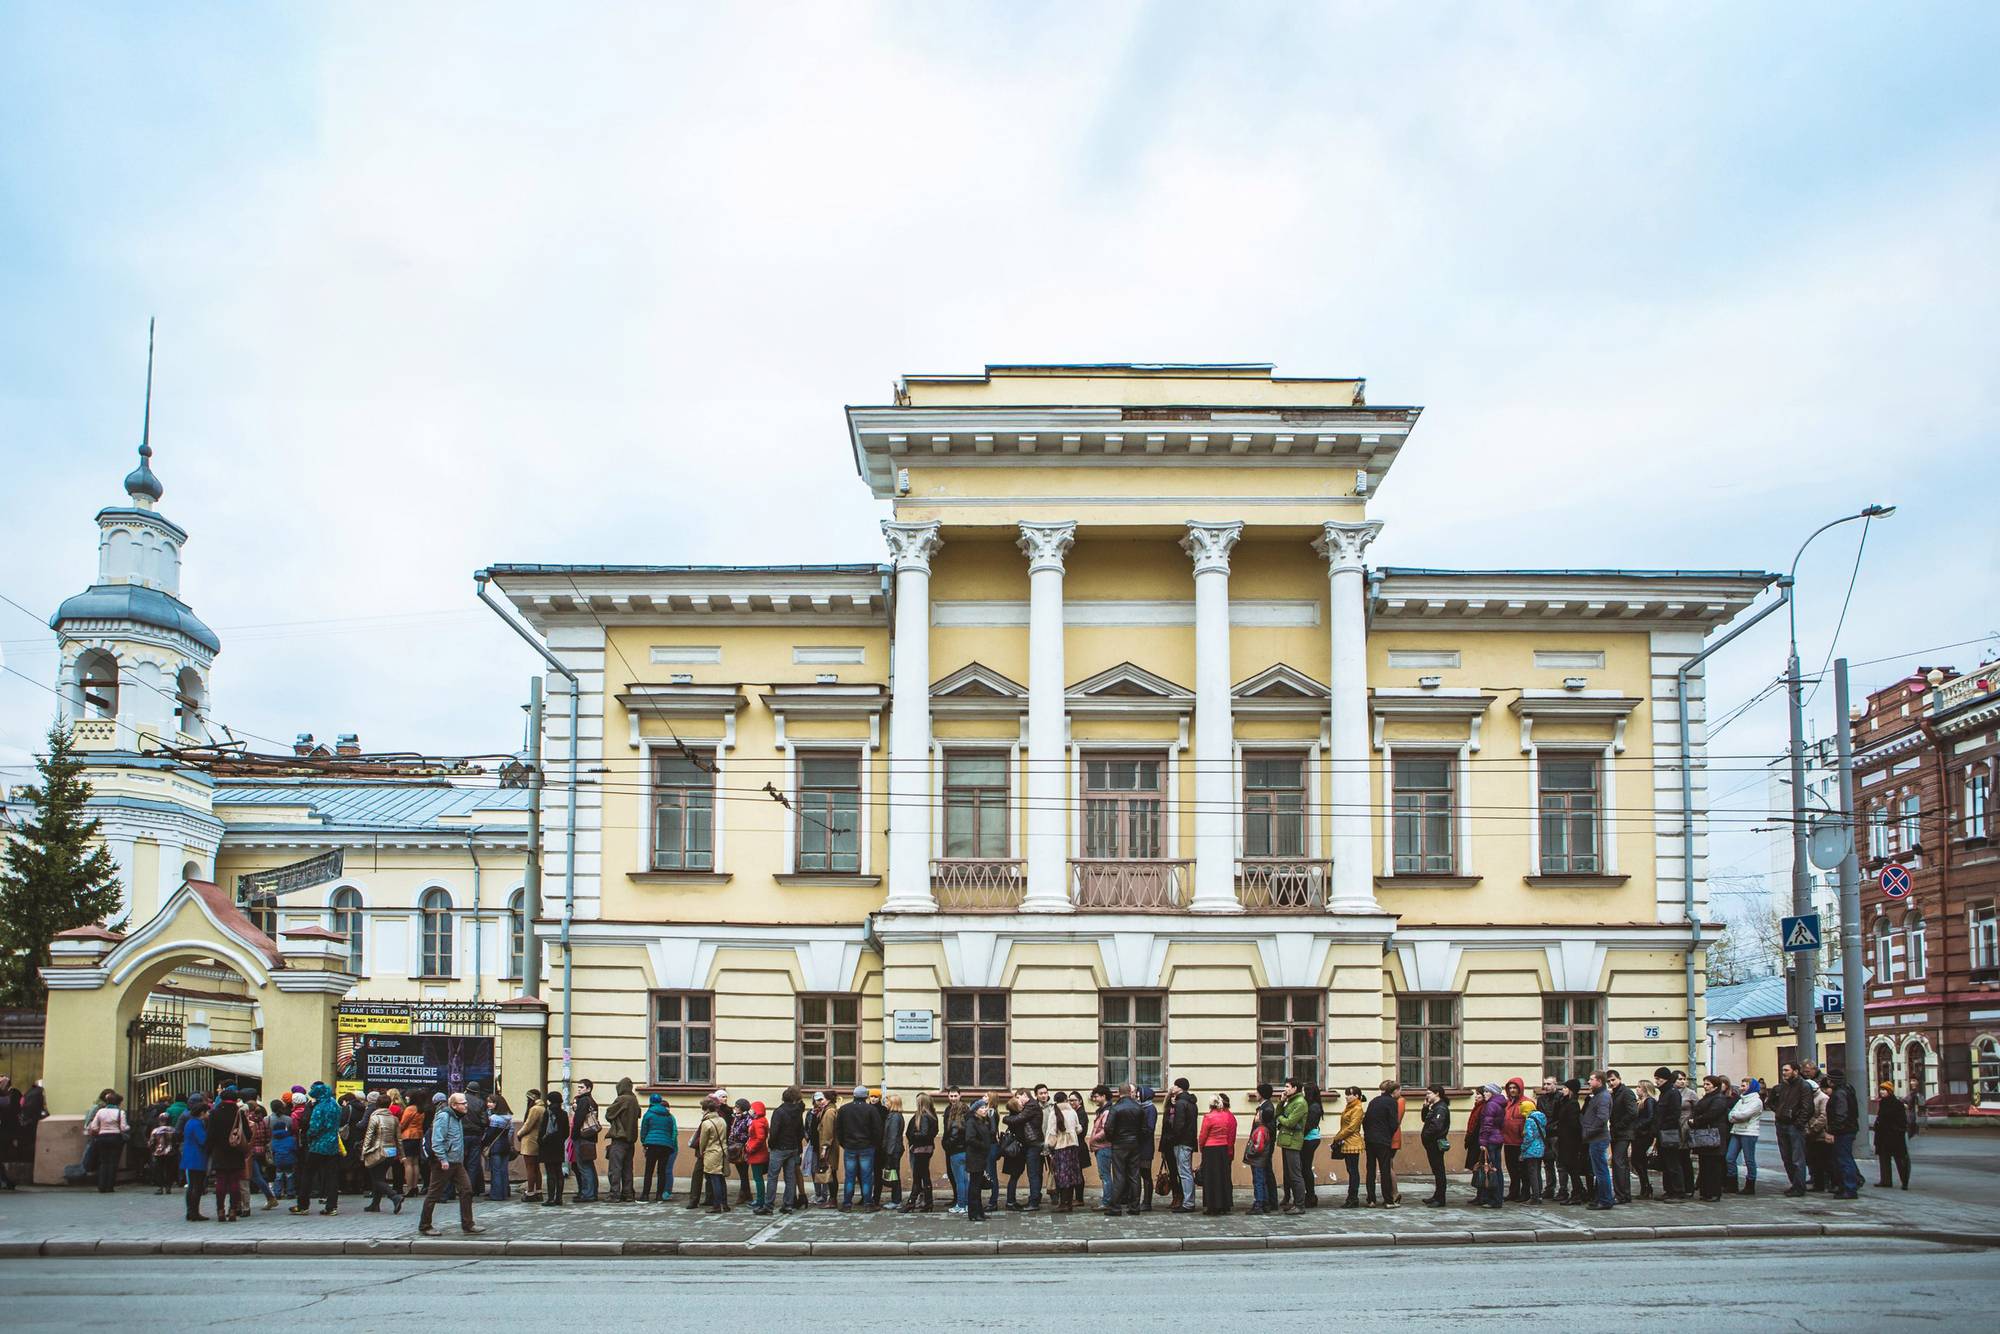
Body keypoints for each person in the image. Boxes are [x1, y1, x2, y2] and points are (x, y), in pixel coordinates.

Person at [418, 1091, 485, 1235]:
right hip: (444, 1162)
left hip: (456, 1162)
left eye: (465, 1102)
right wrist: (442, 1159)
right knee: (434, 1194)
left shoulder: (458, 1117)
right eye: (463, 1103)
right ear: (454, 1105)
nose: (466, 1105)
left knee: (466, 1190)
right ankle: (425, 1225)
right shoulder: (444, 1117)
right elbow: (437, 1140)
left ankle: (468, 1224)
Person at [287, 1081, 340, 1216]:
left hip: (318, 1146)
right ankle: (331, 1206)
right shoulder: (335, 1105)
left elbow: (314, 1127)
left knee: (308, 1174)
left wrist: (309, 1136)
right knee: (332, 1176)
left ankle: (303, 1205)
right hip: (333, 1145)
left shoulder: (319, 1107)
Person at [833, 1084, 883, 1210]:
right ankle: (868, 1204)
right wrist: (874, 1144)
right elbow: (878, 1130)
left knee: (849, 1176)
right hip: (867, 1146)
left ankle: (847, 1204)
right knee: (866, 1176)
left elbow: (838, 1129)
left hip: (849, 1147)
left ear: (853, 1095)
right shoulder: (871, 1110)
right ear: (866, 1096)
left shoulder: (844, 1109)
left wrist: (843, 1143)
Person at [1766, 1061, 1812, 1196]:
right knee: (1786, 1157)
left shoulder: (1803, 1086)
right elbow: (1771, 1102)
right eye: (1783, 1070)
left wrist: (1798, 1122)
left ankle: (1799, 1186)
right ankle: (1794, 1184)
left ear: (1796, 1071)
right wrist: (1780, 1112)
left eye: (1787, 1070)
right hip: (1782, 1123)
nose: (1784, 1073)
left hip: (1794, 1125)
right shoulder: (1783, 1087)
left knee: (1797, 1158)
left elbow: (1807, 1108)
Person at [1106, 1083, 1149, 1217]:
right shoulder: (1139, 1108)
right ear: (1130, 1092)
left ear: (1119, 1093)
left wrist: (1113, 1139)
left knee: (1119, 1175)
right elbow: (1144, 1129)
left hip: (1119, 1144)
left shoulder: (1116, 1108)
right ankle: (1135, 1207)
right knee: (1134, 1175)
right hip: (1135, 1144)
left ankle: (1115, 1207)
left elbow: (1108, 1128)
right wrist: (1138, 1140)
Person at [360, 1092, 404, 1214]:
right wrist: (402, 1155)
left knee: (376, 1179)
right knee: (380, 1176)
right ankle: (375, 1204)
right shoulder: (394, 1119)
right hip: (391, 1151)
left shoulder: (375, 1118)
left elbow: (368, 1136)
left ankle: (394, 1196)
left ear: (377, 1105)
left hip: (378, 1150)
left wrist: (364, 1152)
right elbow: (399, 1139)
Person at [1690, 1074, 1730, 1202]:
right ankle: (1705, 1191)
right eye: (1705, 1084)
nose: (1705, 1087)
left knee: (1714, 1166)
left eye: (1708, 1084)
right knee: (1705, 1164)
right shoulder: (1707, 1097)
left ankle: (1714, 1192)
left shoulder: (1719, 1098)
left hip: (1713, 1134)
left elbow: (1712, 1114)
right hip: (1705, 1135)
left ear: (1715, 1086)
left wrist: (1696, 1121)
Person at [1824, 1066, 1862, 1200]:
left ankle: (1849, 1187)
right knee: (1844, 1158)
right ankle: (1847, 1185)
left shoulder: (1839, 1093)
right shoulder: (1847, 1090)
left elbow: (1841, 1114)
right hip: (1847, 1129)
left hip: (1843, 1131)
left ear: (1832, 1081)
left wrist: (1831, 1131)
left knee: (1844, 1159)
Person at [1198, 1092, 1236, 1216]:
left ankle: (1211, 1205)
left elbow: (1203, 1135)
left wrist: (1201, 1147)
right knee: (1222, 1177)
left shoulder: (1208, 1117)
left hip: (1210, 1148)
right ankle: (1223, 1204)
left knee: (1210, 1178)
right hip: (1223, 1148)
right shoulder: (1226, 1116)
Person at [1275, 1076, 1309, 1214]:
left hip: (1293, 1141)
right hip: (1286, 1140)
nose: (1285, 1089)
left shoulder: (1300, 1103)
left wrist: (1281, 1118)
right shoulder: (1290, 1101)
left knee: (1295, 1174)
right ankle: (1294, 1202)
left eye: (1288, 1087)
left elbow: (1290, 1122)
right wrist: (1281, 1102)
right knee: (1289, 1174)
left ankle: (1300, 1204)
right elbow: (1278, 1113)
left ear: (1295, 1088)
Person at [1580, 1071, 1614, 1210]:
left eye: (1591, 1079)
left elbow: (1602, 1118)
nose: (1589, 1082)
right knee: (1598, 1170)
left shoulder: (1603, 1097)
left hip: (1598, 1139)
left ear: (1599, 1081)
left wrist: (1589, 1131)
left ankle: (1605, 1200)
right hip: (1594, 1138)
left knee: (1601, 1171)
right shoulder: (1598, 1096)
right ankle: (1600, 1198)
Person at [1043, 1089, 1081, 1213]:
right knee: (1071, 1175)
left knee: (1061, 1175)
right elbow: (1078, 1128)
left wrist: (1049, 1146)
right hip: (1073, 1147)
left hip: (1060, 1148)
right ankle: (1068, 1202)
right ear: (1065, 1100)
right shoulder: (1072, 1111)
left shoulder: (1054, 1113)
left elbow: (1051, 1133)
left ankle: (1063, 1203)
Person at [769, 1087, 805, 1213]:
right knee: (790, 1178)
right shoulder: (798, 1112)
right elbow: (801, 1131)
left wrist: (771, 1145)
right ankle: (788, 1204)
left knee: (772, 1177)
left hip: (779, 1148)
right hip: (793, 1147)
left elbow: (774, 1131)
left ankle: (769, 1205)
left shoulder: (779, 1112)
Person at [85, 1091, 129, 1194]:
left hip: (102, 1137)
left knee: (103, 1162)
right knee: (113, 1162)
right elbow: (123, 1127)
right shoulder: (120, 1112)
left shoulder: (100, 1112)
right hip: (115, 1137)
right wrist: (127, 1127)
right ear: (116, 1102)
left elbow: (94, 1126)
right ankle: (110, 1186)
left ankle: (101, 1186)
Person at [1653, 1068, 1688, 1202]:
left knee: (1673, 1163)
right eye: (1656, 1079)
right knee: (1665, 1164)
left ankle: (1678, 1192)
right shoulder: (1664, 1093)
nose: (1656, 1082)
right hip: (1663, 1133)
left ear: (1666, 1079)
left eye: (1659, 1079)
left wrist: (1662, 1127)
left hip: (1670, 1133)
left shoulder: (1672, 1093)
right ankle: (1669, 1190)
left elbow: (1674, 1115)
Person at [1726, 1075, 1763, 1195]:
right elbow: (1731, 1115)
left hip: (1749, 1132)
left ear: (1751, 1087)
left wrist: (1736, 1115)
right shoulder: (1741, 1099)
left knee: (1749, 1160)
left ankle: (1750, 1185)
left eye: (1744, 1086)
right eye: (1741, 1086)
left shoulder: (1756, 1101)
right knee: (1730, 1158)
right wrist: (1736, 1116)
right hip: (1737, 1131)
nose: (1741, 1088)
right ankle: (1732, 1184)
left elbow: (1744, 1115)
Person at [605, 1076, 640, 1203]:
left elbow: (609, 1113)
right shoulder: (634, 1100)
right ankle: (628, 1193)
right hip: (631, 1140)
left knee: (615, 1168)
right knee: (627, 1168)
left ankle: (614, 1194)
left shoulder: (622, 1099)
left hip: (620, 1138)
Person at [1244, 1083, 1277, 1215]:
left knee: (1259, 1177)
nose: (1255, 1094)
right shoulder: (1264, 1107)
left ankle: (1261, 1203)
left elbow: (1267, 1130)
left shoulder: (1266, 1110)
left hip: (1261, 1149)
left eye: (1257, 1092)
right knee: (1264, 1175)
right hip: (1263, 1148)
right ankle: (1268, 1202)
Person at [694, 1097, 730, 1214]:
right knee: (721, 1178)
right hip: (723, 1151)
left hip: (711, 1152)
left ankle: (716, 1206)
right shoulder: (722, 1120)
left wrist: (701, 1151)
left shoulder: (707, 1123)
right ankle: (724, 1204)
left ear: (707, 1110)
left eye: (703, 1109)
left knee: (714, 1179)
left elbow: (702, 1142)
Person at [640, 1093, 679, 1203]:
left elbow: (644, 1130)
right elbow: (672, 1131)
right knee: (661, 1171)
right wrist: (670, 1143)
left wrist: (644, 1143)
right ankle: (659, 1196)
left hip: (652, 1145)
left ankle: (645, 1196)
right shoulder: (668, 1115)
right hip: (665, 1146)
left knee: (649, 1171)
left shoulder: (649, 1114)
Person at [1474, 1082, 1507, 1208]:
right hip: (1497, 1138)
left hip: (1491, 1140)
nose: (1485, 1094)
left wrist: (1483, 1142)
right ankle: (1495, 1198)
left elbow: (1487, 1125)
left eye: (1487, 1092)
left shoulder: (1491, 1105)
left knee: (1492, 1170)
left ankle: (1495, 1199)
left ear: (1493, 1093)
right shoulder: (1499, 1103)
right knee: (1496, 1169)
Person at [963, 1098, 995, 1223]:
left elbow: (991, 1132)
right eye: (982, 1108)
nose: (985, 1109)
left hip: (981, 1157)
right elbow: (970, 1138)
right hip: (974, 1157)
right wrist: (983, 1145)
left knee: (977, 1185)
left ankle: (979, 1212)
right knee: (974, 1187)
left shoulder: (982, 1121)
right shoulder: (972, 1121)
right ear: (975, 1110)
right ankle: (973, 1213)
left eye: (985, 1107)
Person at [1607, 1070, 1637, 1205]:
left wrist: (1619, 1125)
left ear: (1619, 1078)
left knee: (1619, 1162)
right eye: (1608, 1081)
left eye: (1613, 1080)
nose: (1611, 1083)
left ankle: (1622, 1194)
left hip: (1624, 1133)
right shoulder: (1614, 1094)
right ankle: (1623, 1194)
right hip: (1617, 1132)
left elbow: (1632, 1112)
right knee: (1619, 1163)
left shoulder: (1626, 1093)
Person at [1874, 1081, 1911, 1189]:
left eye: (1884, 1090)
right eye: (1881, 1089)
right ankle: (1885, 1180)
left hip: (1894, 1136)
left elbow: (1902, 1121)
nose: (1882, 1092)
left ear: (1889, 1091)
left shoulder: (1897, 1104)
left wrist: (1897, 1131)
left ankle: (1904, 1182)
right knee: (1884, 1158)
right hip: (1883, 1135)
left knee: (1900, 1160)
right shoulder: (1882, 1102)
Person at [179, 1095, 210, 1221]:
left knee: (191, 1185)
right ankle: (194, 1212)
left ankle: (190, 1211)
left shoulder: (189, 1122)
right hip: (197, 1156)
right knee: (197, 1186)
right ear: (202, 1112)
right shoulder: (197, 1124)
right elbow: (203, 1140)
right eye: (206, 1112)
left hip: (189, 1155)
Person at [1333, 1087, 1365, 1206]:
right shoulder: (1350, 1107)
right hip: (1347, 1141)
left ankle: (1353, 1198)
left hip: (1353, 1143)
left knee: (1353, 1171)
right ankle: (1351, 1197)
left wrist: (1338, 1137)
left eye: (1349, 1094)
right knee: (1351, 1170)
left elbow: (1351, 1128)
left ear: (1357, 1096)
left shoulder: (1357, 1108)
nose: (1346, 1096)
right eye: (1346, 1094)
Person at [570, 1078, 601, 1203]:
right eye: (578, 1087)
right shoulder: (592, 1101)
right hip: (591, 1136)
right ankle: (592, 1192)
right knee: (589, 1165)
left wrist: (574, 1134)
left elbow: (578, 1120)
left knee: (583, 1166)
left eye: (581, 1087)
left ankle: (588, 1194)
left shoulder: (583, 1101)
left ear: (588, 1089)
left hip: (582, 1136)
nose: (578, 1089)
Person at [1420, 1085, 1451, 1206]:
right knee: (1437, 1170)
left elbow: (1436, 1126)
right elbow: (1424, 1119)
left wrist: (1426, 1136)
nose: (1427, 1096)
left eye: (1429, 1093)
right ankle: (1437, 1196)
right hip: (1431, 1143)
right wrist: (1425, 1107)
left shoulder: (1441, 1108)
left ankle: (1440, 1199)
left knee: (1439, 1171)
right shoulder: (1434, 1107)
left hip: (1435, 1143)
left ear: (1437, 1093)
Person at [538, 1090, 570, 1206]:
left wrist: (541, 1141)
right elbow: (566, 1132)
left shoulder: (548, 1112)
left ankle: (551, 1198)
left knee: (550, 1173)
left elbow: (542, 1130)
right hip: (559, 1146)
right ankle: (559, 1198)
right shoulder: (564, 1114)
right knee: (559, 1172)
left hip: (548, 1146)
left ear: (550, 1100)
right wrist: (560, 1139)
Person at [942, 1090, 969, 1213]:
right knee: (965, 1180)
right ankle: (967, 1204)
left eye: (955, 1095)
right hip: (966, 1151)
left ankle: (961, 1205)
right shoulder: (967, 1119)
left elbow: (952, 1137)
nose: (953, 1098)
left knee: (960, 1181)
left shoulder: (955, 1123)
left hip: (956, 1152)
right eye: (951, 1096)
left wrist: (947, 1145)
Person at [1499, 1078, 1527, 1201]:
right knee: (1512, 1169)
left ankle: (1525, 1192)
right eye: (1510, 1088)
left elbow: (1529, 1122)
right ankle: (1513, 1192)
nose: (1512, 1090)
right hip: (1508, 1141)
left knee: (1523, 1170)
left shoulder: (1526, 1103)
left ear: (1520, 1089)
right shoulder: (1508, 1103)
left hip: (1520, 1142)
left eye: (1514, 1088)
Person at [1086, 1086, 1114, 1210]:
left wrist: (1093, 1139)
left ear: (1103, 1096)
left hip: (1104, 1147)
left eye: (1096, 1096)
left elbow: (1105, 1130)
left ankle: (1107, 1202)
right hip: (1102, 1147)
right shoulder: (1103, 1110)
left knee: (1105, 1175)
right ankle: (1108, 1200)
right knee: (1105, 1175)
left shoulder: (1106, 1111)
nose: (1094, 1099)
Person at [1630, 1078, 1658, 1200]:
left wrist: (1637, 1126)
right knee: (1638, 1160)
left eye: (1639, 1087)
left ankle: (1646, 1187)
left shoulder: (1649, 1101)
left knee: (1637, 1160)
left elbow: (1650, 1117)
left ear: (1645, 1089)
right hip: (1640, 1134)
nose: (1637, 1089)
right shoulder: (1641, 1102)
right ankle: (1645, 1187)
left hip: (1644, 1135)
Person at [812, 1088, 840, 1207]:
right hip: (830, 1147)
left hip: (829, 1148)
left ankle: (832, 1200)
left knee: (830, 1173)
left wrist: (824, 1148)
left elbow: (827, 1132)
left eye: (822, 1099)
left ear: (828, 1099)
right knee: (831, 1172)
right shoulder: (828, 1110)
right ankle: (832, 1199)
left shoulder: (829, 1112)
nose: (820, 1101)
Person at [516, 1091, 546, 1202]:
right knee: (536, 1168)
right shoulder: (543, 1108)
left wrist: (519, 1134)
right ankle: (538, 1191)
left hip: (530, 1141)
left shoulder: (534, 1109)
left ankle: (530, 1192)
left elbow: (528, 1125)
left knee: (530, 1167)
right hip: (537, 1140)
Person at [1299, 1082, 1324, 1209]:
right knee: (1304, 1168)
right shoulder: (1311, 1105)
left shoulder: (1314, 1107)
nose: (1302, 1093)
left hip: (1310, 1139)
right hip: (1308, 1138)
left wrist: (1299, 1136)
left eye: (1304, 1091)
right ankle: (1309, 1195)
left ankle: (1311, 1196)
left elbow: (1309, 1125)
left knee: (1306, 1168)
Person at [745, 1098, 772, 1214]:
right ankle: (760, 1200)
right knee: (758, 1178)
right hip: (759, 1153)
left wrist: (751, 1148)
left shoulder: (757, 1122)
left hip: (757, 1154)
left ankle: (760, 1200)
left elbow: (760, 1138)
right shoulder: (762, 1120)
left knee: (758, 1179)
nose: (750, 1110)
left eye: (751, 1108)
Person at [1518, 1096, 1546, 1202]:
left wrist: (1523, 1149)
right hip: (1540, 1148)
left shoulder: (1530, 1120)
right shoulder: (1541, 1118)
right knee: (1537, 1172)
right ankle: (1539, 1194)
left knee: (1532, 1173)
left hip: (1531, 1150)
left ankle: (1535, 1197)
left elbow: (1529, 1137)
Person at [729, 1097, 754, 1206]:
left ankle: (743, 1194)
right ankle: (747, 1194)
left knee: (743, 1172)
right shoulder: (736, 1118)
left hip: (743, 1148)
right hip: (735, 1147)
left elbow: (749, 1133)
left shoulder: (747, 1119)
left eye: (737, 1106)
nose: (735, 1108)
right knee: (742, 1173)